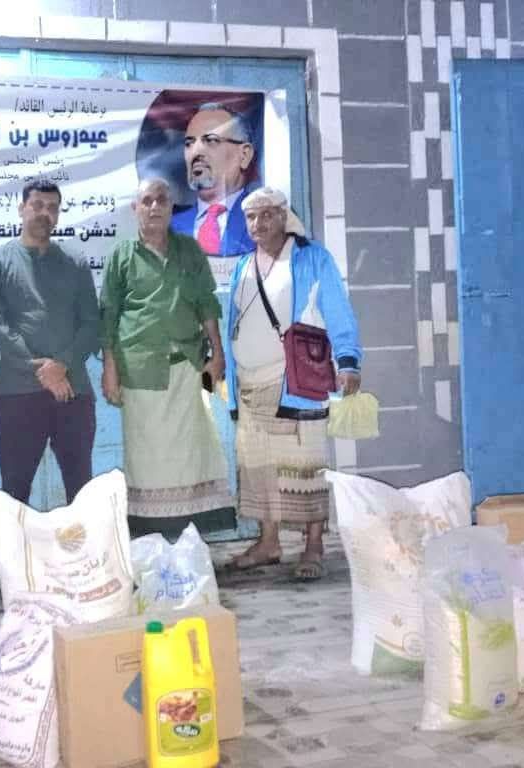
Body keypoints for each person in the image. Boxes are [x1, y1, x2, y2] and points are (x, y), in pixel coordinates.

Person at [223, 187, 362, 580]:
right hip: (249, 386)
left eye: (267, 214)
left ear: (284, 217)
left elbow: (338, 310)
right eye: (251, 217)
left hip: (295, 383)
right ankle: (268, 543)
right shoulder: (243, 265)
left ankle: (313, 546)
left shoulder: (312, 258)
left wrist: (348, 360)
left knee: (305, 465)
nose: (258, 223)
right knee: (260, 468)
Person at [101, 178, 233, 538]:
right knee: (148, 457)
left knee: (193, 452)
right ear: (136, 208)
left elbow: (207, 303)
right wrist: (110, 369)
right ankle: (152, 536)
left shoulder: (190, 250)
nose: (155, 206)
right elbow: (108, 315)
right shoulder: (121, 256)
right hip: (139, 372)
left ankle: (189, 536)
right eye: (147, 200)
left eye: (162, 200)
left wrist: (218, 353)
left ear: (172, 207)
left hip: (188, 369)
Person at [0, 179, 100, 506]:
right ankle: (16, 546)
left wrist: (62, 365)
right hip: (19, 394)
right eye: (37, 205)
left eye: (52, 208)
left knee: (81, 491)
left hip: (73, 392)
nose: (45, 213)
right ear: (22, 209)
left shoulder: (75, 262)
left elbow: (91, 323)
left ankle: (80, 544)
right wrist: (44, 372)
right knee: (15, 492)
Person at [170, 102, 259, 260]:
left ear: (244, 155)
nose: (195, 152)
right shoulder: (168, 228)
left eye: (211, 140)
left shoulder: (266, 221)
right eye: (189, 143)